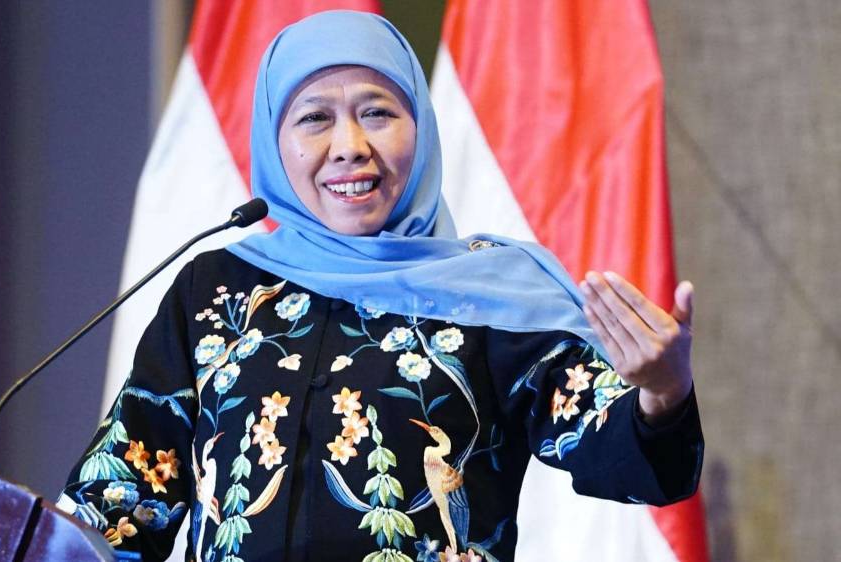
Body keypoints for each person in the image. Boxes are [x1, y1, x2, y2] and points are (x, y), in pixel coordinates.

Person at [60, 11, 702, 562]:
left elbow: (624, 460)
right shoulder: (215, 289)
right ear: (274, 142)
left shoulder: (495, 299)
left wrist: (663, 392)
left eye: (376, 113)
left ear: (420, 128)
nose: (349, 145)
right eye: (315, 118)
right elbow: (122, 496)